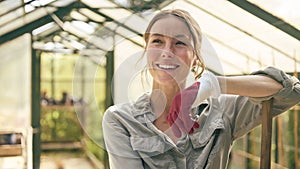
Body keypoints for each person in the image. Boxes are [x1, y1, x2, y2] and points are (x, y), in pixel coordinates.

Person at [102, 9, 300, 169]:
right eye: (157, 41)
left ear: (195, 56)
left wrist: (215, 84)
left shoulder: (221, 111)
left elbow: (291, 92)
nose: (166, 52)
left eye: (180, 43)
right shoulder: (120, 119)